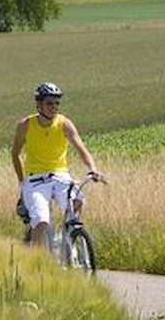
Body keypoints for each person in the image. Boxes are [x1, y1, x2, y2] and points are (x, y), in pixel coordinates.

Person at [11, 82, 102, 249]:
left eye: (57, 103)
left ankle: (67, 239)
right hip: (35, 179)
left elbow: (81, 148)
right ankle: (38, 260)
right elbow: (15, 153)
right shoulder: (25, 125)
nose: (54, 107)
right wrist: (21, 181)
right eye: (49, 103)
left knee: (78, 201)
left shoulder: (64, 123)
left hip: (60, 176)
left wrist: (92, 168)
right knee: (41, 220)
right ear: (39, 105)